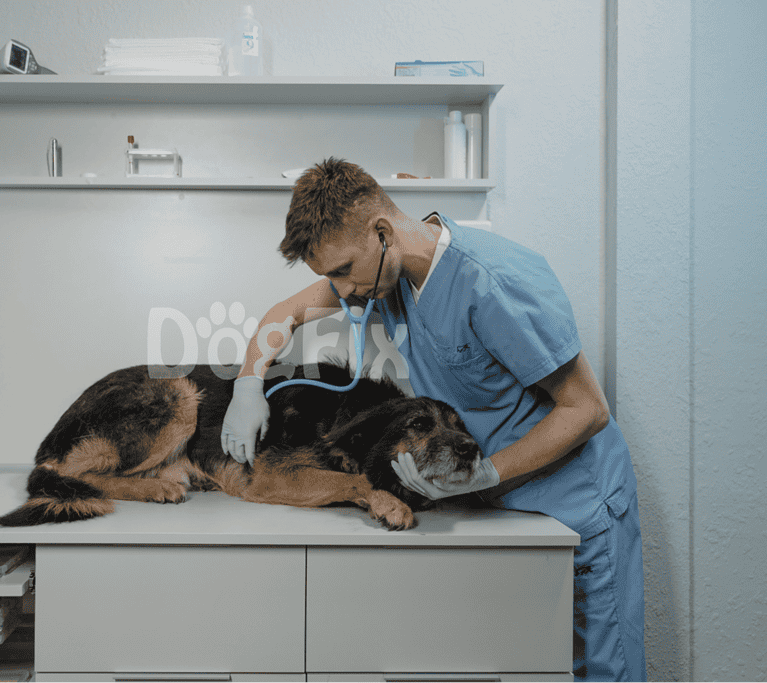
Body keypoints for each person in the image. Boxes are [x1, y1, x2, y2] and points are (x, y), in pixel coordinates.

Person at [220, 158, 646, 682]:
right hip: (498, 510)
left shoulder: (492, 280)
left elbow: (587, 410)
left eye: (341, 271)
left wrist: (487, 473)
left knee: (598, 671)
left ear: (381, 233)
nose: (342, 290)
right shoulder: (383, 274)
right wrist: (247, 383)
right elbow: (284, 313)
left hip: (573, 505)